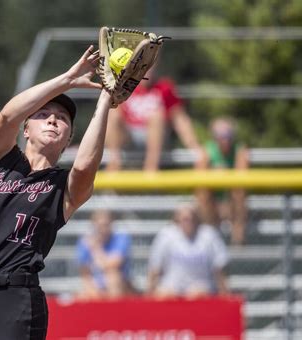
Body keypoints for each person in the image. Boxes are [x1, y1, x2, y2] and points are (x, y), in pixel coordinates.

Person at [0, 46, 112, 340]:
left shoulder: (63, 187)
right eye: (43, 114)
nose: (53, 119)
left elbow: (84, 167)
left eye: (62, 118)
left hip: (12, 298)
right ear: (26, 130)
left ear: (69, 138)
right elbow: (7, 116)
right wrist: (67, 79)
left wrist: (106, 99)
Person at [105, 63, 199, 171]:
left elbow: (180, 119)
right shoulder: (124, 88)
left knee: (156, 116)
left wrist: (194, 147)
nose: (146, 72)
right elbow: (113, 121)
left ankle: (151, 168)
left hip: (157, 137)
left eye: (148, 67)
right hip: (129, 136)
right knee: (113, 112)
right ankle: (113, 165)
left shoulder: (164, 88)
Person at [146, 203, 229, 299]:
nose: (188, 222)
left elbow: (219, 268)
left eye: (191, 219)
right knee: (163, 294)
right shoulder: (166, 235)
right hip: (171, 288)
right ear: (177, 220)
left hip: (202, 287)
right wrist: (149, 293)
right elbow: (155, 268)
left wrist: (225, 293)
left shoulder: (208, 235)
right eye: (185, 219)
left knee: (198, 294)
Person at [195, 117, 249, 245]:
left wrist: (222, 174)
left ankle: (237, 239)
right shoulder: (207, 150)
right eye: (221, 135)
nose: (225, 139)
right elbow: (199, 177)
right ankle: (211, 236)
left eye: (228, 135)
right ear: (214, 137)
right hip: (213, 202)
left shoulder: (239, 149)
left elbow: (242, 175)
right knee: (202, 191)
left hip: (232, 202)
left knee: (239, 190)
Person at [76, 209, 133, 300]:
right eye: (100, 226)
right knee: (81, 296)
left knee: (113, 278)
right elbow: (85, 274)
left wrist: (96, 249)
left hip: (120, 283)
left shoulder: (121, 238)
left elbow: (114, 264)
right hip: (95, 284)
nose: (103, 229)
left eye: (106, 225)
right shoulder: (84, 242)